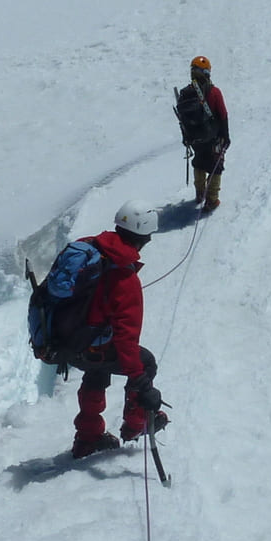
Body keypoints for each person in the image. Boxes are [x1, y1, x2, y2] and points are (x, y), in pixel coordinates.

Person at [69, 200, 169, 459]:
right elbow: (126, 341)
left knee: (97, 366)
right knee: (144, 362)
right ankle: (137, 424)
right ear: (144, 238)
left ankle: (87, 437)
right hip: (90, 346)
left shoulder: (89, 246)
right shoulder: (125, 279)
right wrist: (142, 384)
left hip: (67, 342)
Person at [175, 55, 230, 212]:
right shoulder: (214, 92)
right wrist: (226, 136)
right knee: (215, 166)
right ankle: (211, 200)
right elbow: (223, 114)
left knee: (199, 162)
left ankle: (200, 193)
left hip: (194, 138)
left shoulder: (185, 93)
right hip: (213, 137)